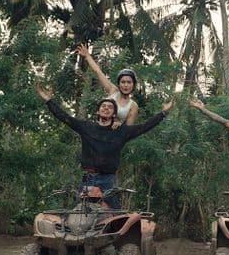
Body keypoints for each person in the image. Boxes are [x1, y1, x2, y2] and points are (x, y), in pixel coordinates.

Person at [36, 84, 173, 209]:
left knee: (113, 210)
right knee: (81, 208)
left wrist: (163, 113)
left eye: (110, 107)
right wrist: (49, 100)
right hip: (87, 176)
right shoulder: (86, 127)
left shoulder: (122, 132)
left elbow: (145, 127)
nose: (106, 108)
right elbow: (64, 117)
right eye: (103, 106)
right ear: (98, 112)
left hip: (107, 178)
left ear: (114, 114)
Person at [76, 44, 139, 125]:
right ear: (119, 84)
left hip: (114, 134)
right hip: (100, 127)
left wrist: (118, 124)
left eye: (129, 82)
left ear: (133, 85)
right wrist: (87, 56)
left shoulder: (133, 106)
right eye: (123, 82)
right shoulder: (113, 90)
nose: (126, 85)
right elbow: (98, 72)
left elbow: (128, 130)